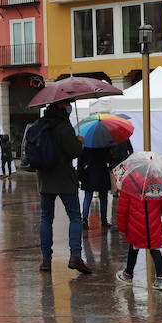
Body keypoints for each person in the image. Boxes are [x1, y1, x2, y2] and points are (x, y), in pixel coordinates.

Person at [32, 103, 91, 274]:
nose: (69, 108)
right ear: (62, 109)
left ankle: (45, 260)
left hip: (44, 178)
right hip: (64, 178)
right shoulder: (64, 126)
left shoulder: (39, 124)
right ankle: (75, 257)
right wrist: (79, 142)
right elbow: (73, 152)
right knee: (74, 217)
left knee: (46, 218)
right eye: (67, 105)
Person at [114, 168, 162, 291]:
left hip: (135, 223)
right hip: (153, 223)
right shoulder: (156, 182)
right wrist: (157, 208)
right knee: (154, 248)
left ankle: (128, 274)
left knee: (134, 246)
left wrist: (122, 227)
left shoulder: (128, 182)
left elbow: (123, 209)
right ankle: (160, 279)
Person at [78, 146, 113, 229]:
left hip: (88, 175)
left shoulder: (85, 148)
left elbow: (80, 162)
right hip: (102, 175)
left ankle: (84, 219)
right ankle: (104, 220)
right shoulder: (104, 147)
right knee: (103, 198)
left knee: (87, 198)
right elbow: (110, 160)